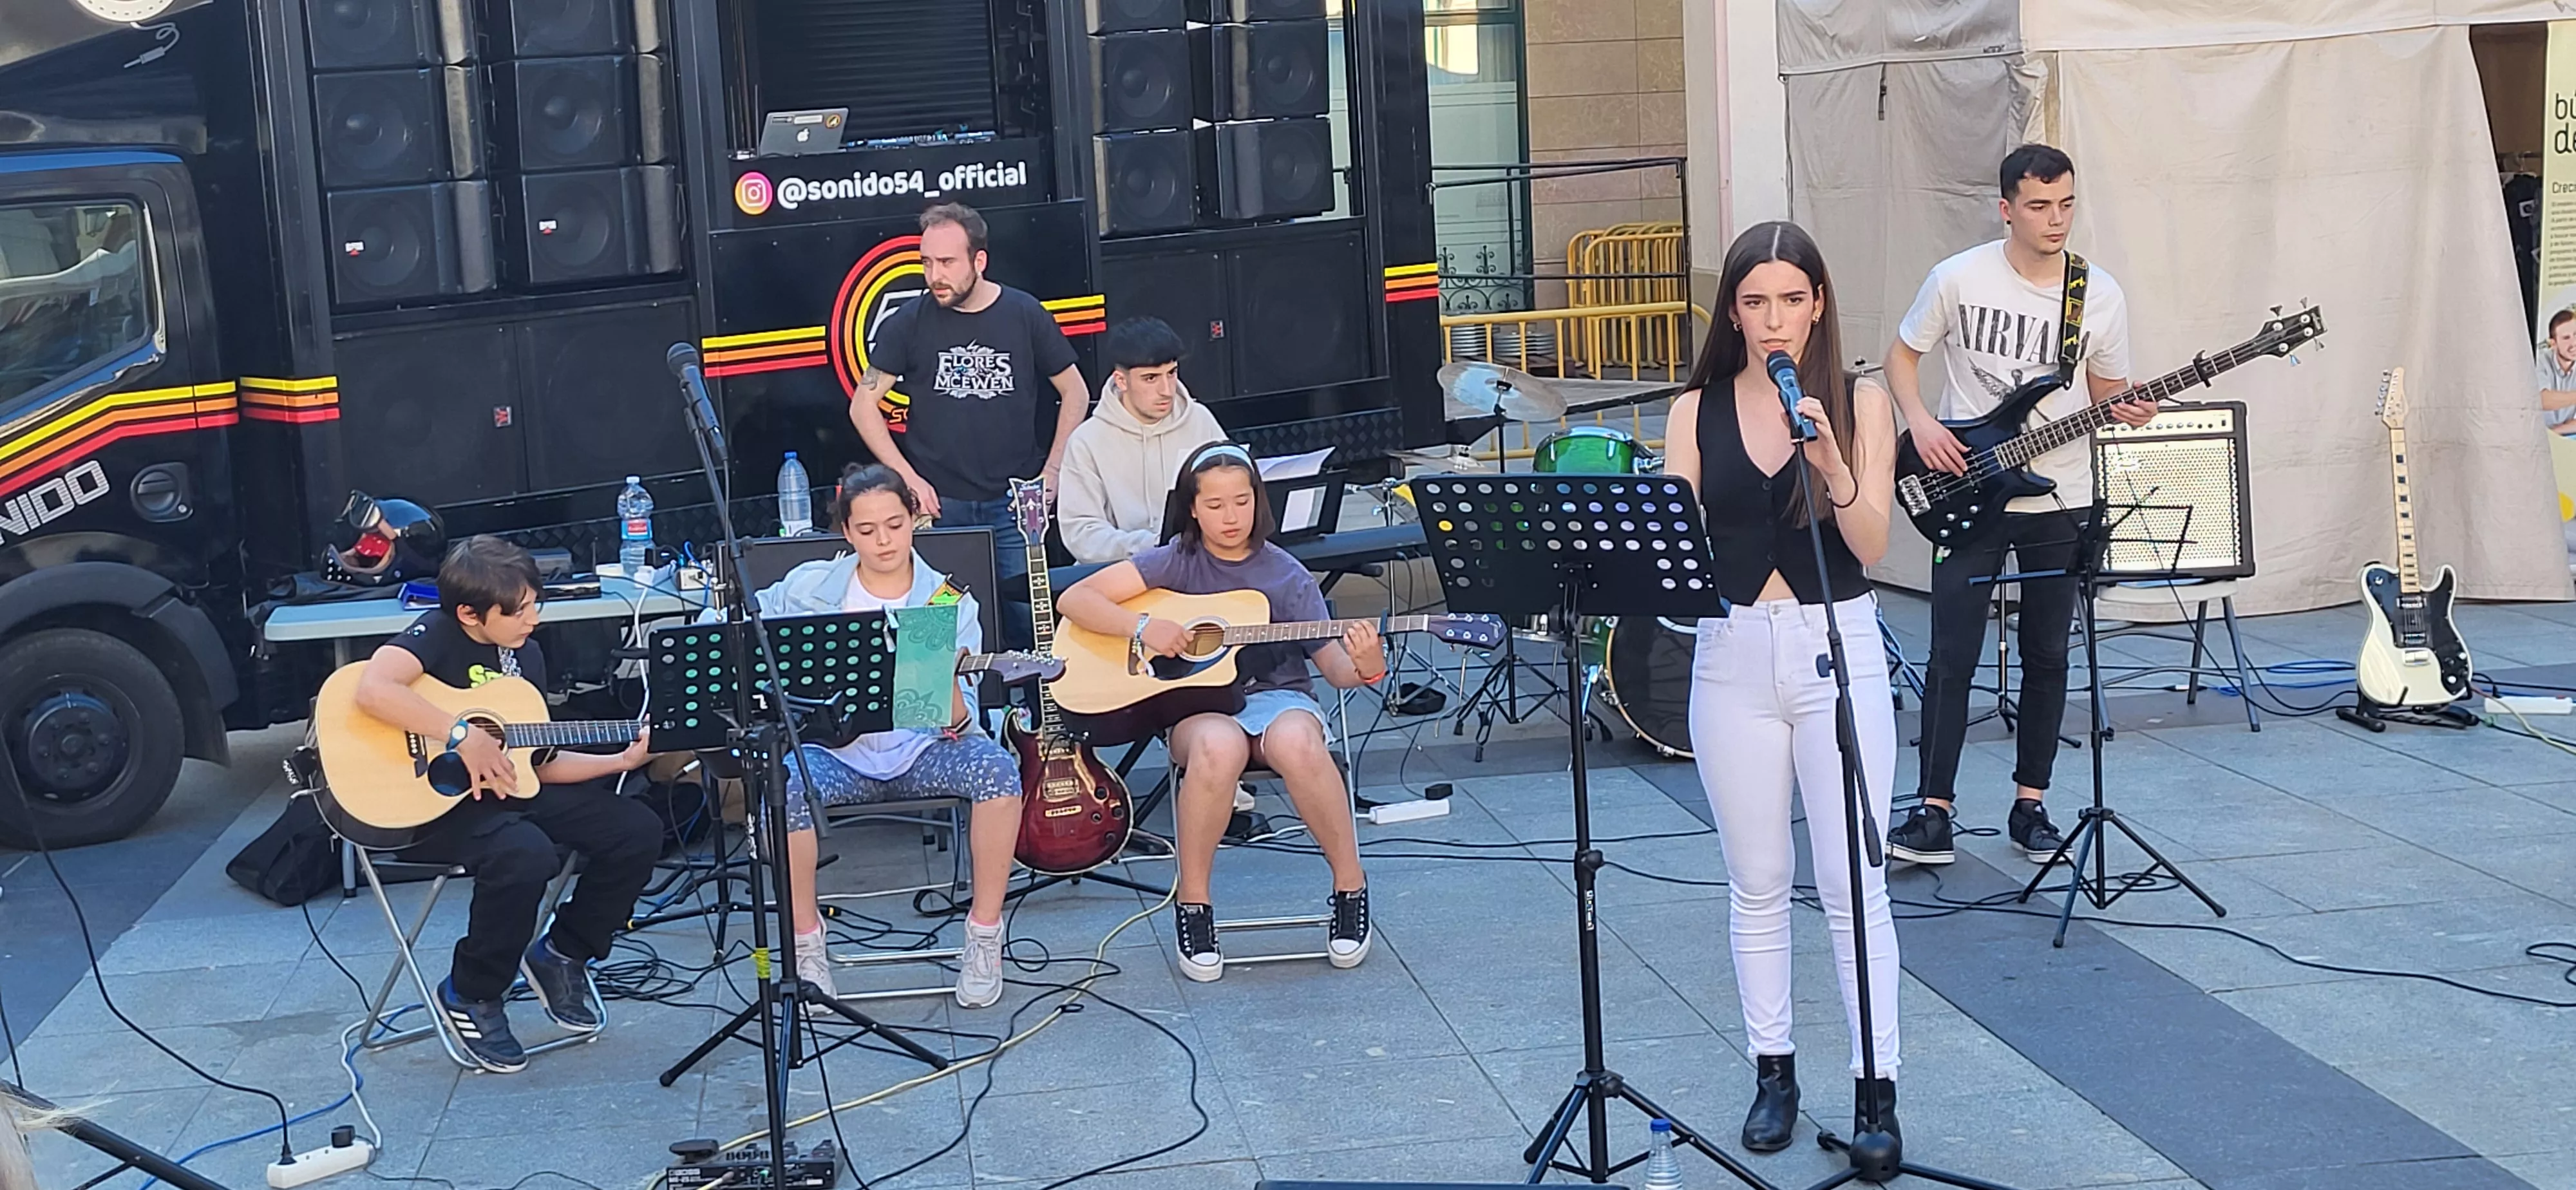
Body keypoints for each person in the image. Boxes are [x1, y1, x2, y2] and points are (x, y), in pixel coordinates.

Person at [1662, 220, 1905, 1157]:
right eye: (1755, 301)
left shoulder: (1858, 404)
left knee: (1855, 883)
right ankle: (1775, 1072)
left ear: (1818, 307)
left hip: (1832, 641)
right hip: (1731, 651)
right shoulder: (1696, 409)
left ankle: (1875, 1091)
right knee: (1758, 881)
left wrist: (1835, 467)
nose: (1774, 320)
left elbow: (1875, 545)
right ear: (1733, 310)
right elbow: (1676, 542)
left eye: (1791, 300)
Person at [1882, 142, 2155, 867]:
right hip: (1968, 485)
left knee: (2047, 654)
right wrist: (1920, 422)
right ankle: (1931, 810)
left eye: (2066, 203)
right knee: (1951, 655)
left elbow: (2104, 391)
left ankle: (2030, 803)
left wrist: (2125, 409)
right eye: (2038, 206)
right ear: (2007, 209)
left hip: (2060, 495)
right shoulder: (1958, 278)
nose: (2055, 219)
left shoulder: (2096, 295)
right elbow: (1901, 358)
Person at [1053, 443, 1382, 982]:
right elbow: (1077, 601)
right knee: (1217, 746)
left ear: (1259, 502)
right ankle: (1195, 905)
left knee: (1297, 743)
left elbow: (1336, 668)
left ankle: (1350, 888)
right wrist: (1143, 628)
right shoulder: (1175, 560)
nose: (1230, 517)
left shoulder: (1287, 575)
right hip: (1199, 706)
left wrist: (1367, 665)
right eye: (1215, 505)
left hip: (1281, 698)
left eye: (1242, 501)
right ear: (1193, 509)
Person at [354, 536, 661, 1073]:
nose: (533, 619)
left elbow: (535, 763)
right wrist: (459, 735)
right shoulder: (436, 634)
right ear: (471, 614)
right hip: (433, 804)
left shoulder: (526, 656)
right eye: (519, 611)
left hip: (505, 791)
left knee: (636, 828)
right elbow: (373, 690)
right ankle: (472, 991)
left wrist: (619, 763)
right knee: (525, 854)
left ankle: (563, 953)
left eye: (534, 604)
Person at [748, 464, 1025, 1009]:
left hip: (920, 750)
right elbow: (740, 628)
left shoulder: (945, 602)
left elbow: (959, 723)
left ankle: (985, 936)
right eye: (868, 530)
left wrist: (948, 691)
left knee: (997, 770)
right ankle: (806, 945)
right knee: (784, 788)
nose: (883, 541)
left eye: (895, 526)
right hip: (834, 753)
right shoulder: (810, 587)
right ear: (847, 532)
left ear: (914, 520)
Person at [846, 202, 1088, 646]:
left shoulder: (1023, 312)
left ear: (979, 261)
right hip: (942, 509)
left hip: (1016, 505)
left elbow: (1076, 391)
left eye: (947, 262)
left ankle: (1037, 715)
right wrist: (908, 478)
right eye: (926, 262)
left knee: (1031, 628)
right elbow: (863, 406)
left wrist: (1052, 473)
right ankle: (947, 717)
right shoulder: (909, 321)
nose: (934, 274)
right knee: (938, 629)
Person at [1058, 316, 1228, 563]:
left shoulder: (1200, 420)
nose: (1167, 390)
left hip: (1195, 566)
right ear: (1121, 381)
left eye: (1171, 374)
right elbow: (1081, 534)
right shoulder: (1087, 441)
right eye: (1151, 378)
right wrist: (1150, 546)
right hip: (1120, 576)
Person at [2536, 308, 2576, 436]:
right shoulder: (2540, 362)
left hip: (2562, 434)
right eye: (2566, 338)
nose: (2574, 343)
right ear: (2553, 344)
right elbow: (2543, 400)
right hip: (2534, 439)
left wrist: (2556, 432)